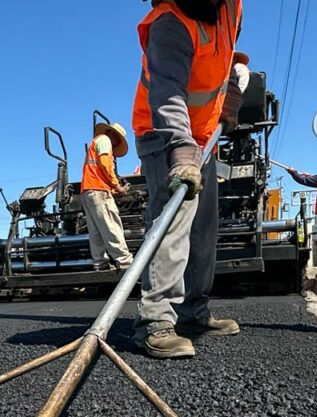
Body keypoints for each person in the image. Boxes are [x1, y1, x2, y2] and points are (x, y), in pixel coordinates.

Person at [131, 0, 245, 359]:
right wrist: (182, 152)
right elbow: (168, 94)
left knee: (203, 228)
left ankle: (194, 312)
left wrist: (233, 91)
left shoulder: (230, 9)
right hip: (163, 131)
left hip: (204, 133)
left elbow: (225, 56)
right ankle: (155, 321)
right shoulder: (169, 22)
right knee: (173, 220)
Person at [80, 122, 134, 270]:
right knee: (111, 225)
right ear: (115, 136)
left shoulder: (97, 141)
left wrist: (112, 188)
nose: (116, 144)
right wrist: (117, 185)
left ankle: (100, 262)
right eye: (118, 141)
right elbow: (104, 164)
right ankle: (125, 262)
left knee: (96, 230)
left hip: (88, 190)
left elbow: (98, 169)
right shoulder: (105, 140)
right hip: (98, 190)